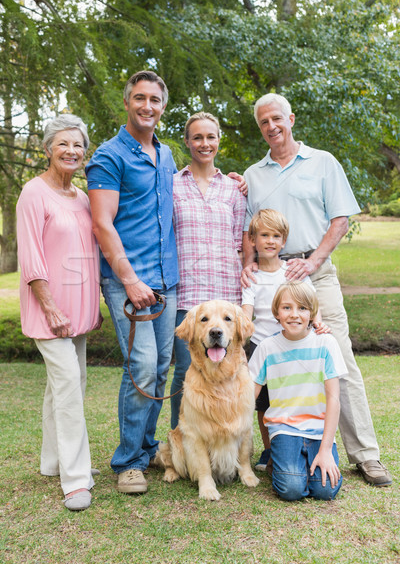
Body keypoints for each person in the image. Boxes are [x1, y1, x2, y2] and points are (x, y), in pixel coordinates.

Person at [242, 93, 392, 486]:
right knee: (272, 359)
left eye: (277, 118)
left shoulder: (322, 162)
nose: (271, 126)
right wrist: (248, 265)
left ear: (290, 118)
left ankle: (365, 455)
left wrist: (313, 262)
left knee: (337, 357)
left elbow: (340, 220)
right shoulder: (253, 174)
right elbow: (246, 231)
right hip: (269, 275)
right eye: (263, 122)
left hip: (315, 273)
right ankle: (277, 442)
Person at [86, 70, 179, 495]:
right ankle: (128, 461)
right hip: (129, 282)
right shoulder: (109, 156)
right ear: (127, 102)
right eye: (139, 98)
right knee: (140, 366)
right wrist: (129, 279)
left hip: (166, 280)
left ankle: (147, 447)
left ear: (163, 106)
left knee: (160, 368)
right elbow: (102, 224)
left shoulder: (167, 154)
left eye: (155, 100)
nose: (147, 106)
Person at [16, 114, 102, 511]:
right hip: (50, 312)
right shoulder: (34, 193)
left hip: (80, 312)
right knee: (68, 389)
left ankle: (53, 460)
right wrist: (49, 307)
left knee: (68, 385)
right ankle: (75, 479)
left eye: (78, 145)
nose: (71, 151)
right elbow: (32, 259)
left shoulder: (82, 196)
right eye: (63, 144)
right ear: (47, 149)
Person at [170, 112, 247, 429]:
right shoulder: (171, 186)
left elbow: (239, 244)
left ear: (218, 141)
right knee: (185, 370)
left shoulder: (234, 189)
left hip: (228, 295)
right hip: (187, 297)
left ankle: (230, 437)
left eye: (210, 137)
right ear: (187, 142)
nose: (204, 143)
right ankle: (184, 438)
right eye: (197, 137)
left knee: (232, 368)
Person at [241, 208, 329, 472]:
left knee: (289, 397)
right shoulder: (251, 276)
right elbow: (247, 313)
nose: (270, 241)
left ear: (284, 240)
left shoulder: (291, 271)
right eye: (264, 235)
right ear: (253, 240)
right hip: (259, 346)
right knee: (263, 404)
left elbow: (310, 302)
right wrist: (240, 334)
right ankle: (268, 450)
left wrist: (318, 322)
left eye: (276, 236)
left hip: (292, 345)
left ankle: (294, 440)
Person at [248, 282, 347, 501]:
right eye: (287, 308)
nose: (294, 315)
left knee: (325, 490)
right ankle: (281, 460)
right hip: (285, 429)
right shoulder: (267, 347)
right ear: (276, 312)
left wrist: (326, 450)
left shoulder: (326, 343)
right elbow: (248, 395)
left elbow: (334, 400)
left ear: (312, 312)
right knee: (291, 489)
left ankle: (304, 461)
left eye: (302, 308)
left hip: (319, 430)